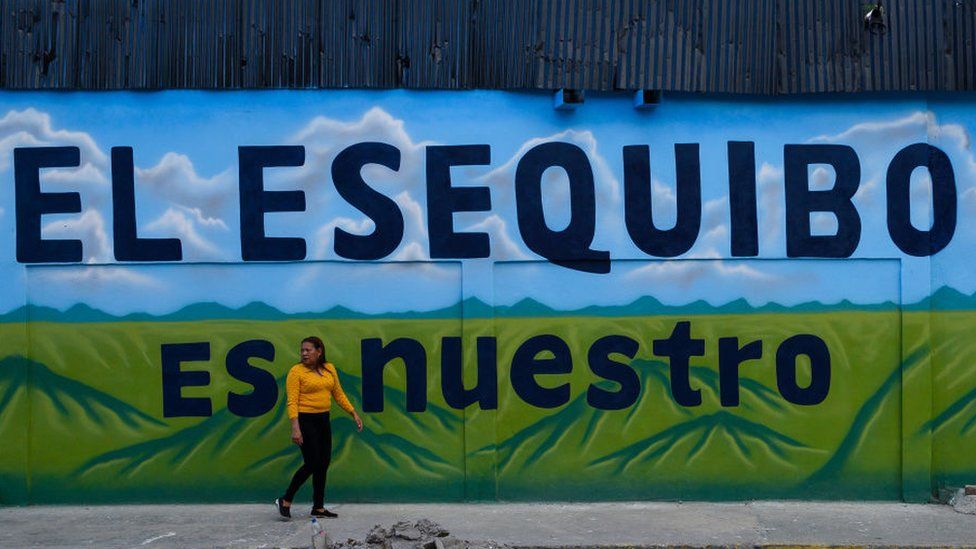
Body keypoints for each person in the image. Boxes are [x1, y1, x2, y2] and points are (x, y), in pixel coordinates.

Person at [275, 336, 363, 519]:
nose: (304, 353)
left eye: (308, 350)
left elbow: (338, 393)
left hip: (323, 419)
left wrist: (352, 412)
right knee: (312, 463)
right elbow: (291, 402)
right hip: (306, 421)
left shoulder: (329, 368)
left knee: (323, 464)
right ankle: (285, 499)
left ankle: (318, 507)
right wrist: (295, 428)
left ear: (319, 351)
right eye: (302, 350)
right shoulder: (296, 371)